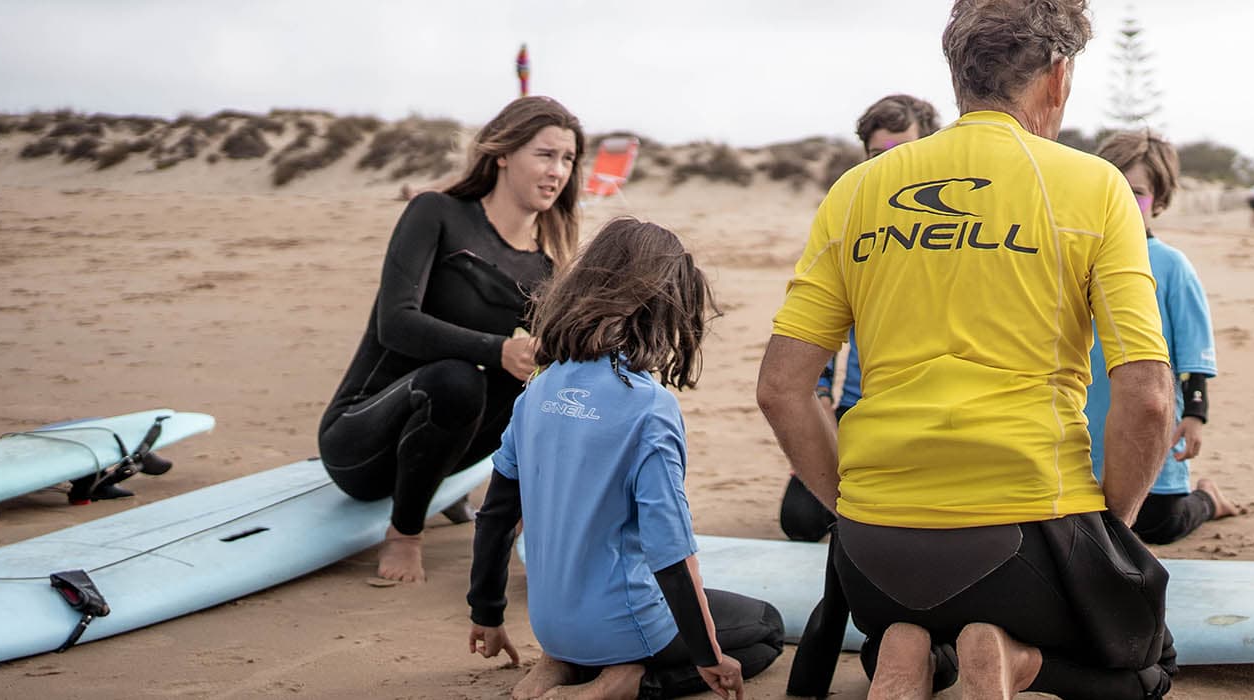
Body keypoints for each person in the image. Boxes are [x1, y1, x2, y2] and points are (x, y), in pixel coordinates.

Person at [756, 1, 1179, 697]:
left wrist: (851, 503)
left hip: (876, 557)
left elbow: (781, 388)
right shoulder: (1094, 186)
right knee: (1151, 665)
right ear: (1058, 76)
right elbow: (1148, 395)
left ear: (957, 75)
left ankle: (907, 650)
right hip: (1027, 539)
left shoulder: (856, 189)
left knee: (922, 612)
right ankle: (1018, 661)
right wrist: (1112, 530)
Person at [466, 218, 783, 700]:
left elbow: (495, 516)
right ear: (662, 308)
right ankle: (627, 680)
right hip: (623, 627)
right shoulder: (648, 406)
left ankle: (561, 665)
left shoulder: (538, 388)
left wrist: (486, 614)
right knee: (765, 628)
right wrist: (708, 655)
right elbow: (670, 554)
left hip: (549, 626)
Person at [318, 96, 581, 583]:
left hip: (445, 450)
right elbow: (395, 324)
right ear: (503, 154)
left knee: (546, 382)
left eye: (567, 159)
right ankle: (404, 534)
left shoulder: (543, 268)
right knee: (459, 380)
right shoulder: (436, 213)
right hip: (360, 440)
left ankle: (522, 517)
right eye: (544, 155)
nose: (557, 171)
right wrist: (497, 350)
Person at [780, 93, 942, 543]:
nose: (886, 164)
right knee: (801, 520)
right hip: (858, 408)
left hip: (932, 408)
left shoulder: (959, 229)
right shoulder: (850, 218)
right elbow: (816, 322)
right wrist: (820, 401)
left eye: (900, 151)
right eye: (875, 155)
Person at [1083, 130, 1240, 546]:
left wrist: (1196, 415)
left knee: (1158, 525)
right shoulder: (1078, 256)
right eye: (1114, 188)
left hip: (1151, 421)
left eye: (1136, 192)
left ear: (1162, 200)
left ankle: (1206, 498)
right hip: (1087, 419)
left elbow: (1193, 353)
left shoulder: (1172, 266)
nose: (1123, 202)